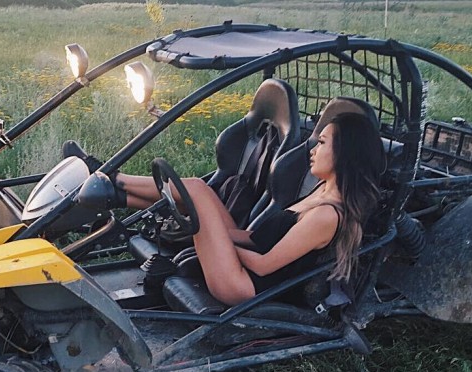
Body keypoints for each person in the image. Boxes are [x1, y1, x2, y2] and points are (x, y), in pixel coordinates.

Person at [114, 112, 384, 305]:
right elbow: (255, 239)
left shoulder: (327, 214)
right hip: (241, 269)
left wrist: (216, 241)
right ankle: (118, 195)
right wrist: (214, 233)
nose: (313, 149)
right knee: (198, 190)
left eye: (322, 142)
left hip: (243, 285)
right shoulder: (320, 192)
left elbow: (264, 266)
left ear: (345, 153)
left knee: (196, 192)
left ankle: (113, 179)